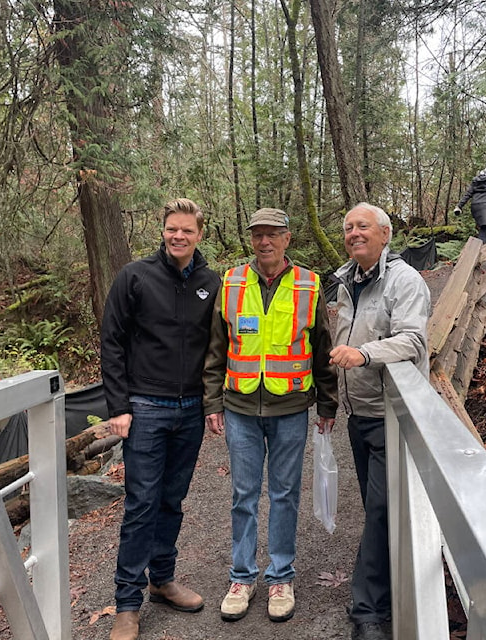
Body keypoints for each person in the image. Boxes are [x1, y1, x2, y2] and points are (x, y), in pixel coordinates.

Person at [203, 207, 338, 623]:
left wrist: (328, 403)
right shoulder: (231, 281)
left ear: (287, 238)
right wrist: (212, 402)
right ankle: (242, 577)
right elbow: (215, 348)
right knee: (243, 496)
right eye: (258, 235)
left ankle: (281, 576)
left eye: (272, 235)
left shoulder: (308, 284)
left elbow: (322, 347)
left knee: (283, 494)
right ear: (252, 240)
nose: (265, 242)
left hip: (290, 408)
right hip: (240, 406)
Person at [100, 198, 221, 640]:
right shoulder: (135, 276)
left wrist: (212, 403)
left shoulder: (212, 282)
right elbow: (111, 343)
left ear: (199, 234)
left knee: (172, 499)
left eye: (187, 230)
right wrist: (119, 408)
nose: (178, 236)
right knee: (141, 504)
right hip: (145, 408)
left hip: (190, 409)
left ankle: (162, 579)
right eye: (172, 229)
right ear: (163, 229)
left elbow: (217, 347)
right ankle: (127, 604)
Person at [329, 203, 430, 640]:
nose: (354, 233)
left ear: (386, 234)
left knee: (382, 509)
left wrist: (364, 353)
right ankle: (388, 589)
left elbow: (412, 339)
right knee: (379, 509)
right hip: (360, 415)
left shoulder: (405, 281)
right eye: (349, 227)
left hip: (391, 415)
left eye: (363, 226)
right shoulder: (345, 280)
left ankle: (367, 610)